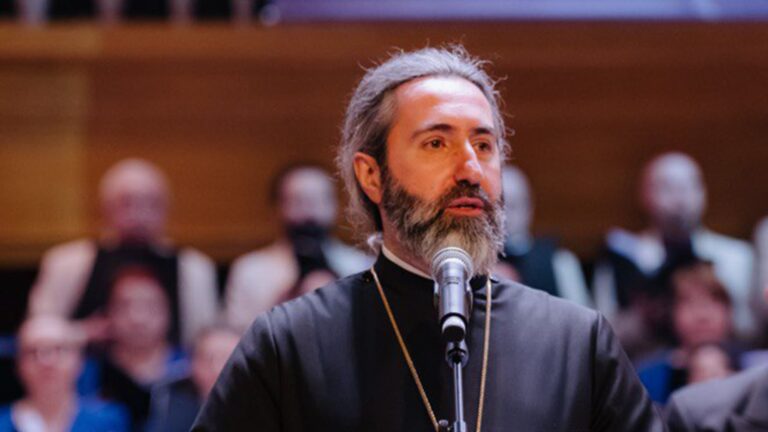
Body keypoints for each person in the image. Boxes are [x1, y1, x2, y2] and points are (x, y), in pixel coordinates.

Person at [193, 46, 663, 431]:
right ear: (372, 176)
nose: (471, 169)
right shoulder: (290, 344)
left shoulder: (576, 343)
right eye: (437, 143)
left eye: (484, 145)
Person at [27, 158, 218, 346]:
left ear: (166, 210)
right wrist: (82, 333)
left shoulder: (195, 268)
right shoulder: (66, 263)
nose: (140, 214)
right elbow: (36, 334)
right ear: (105, 208)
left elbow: (208, 341)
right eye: (127, 203)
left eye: (152, 203)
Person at [593, 152, 756, 343]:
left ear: (704, 192)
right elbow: (600, 336)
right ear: (644, 195)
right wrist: (642, 318)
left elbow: (753, 331)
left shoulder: (738, 256)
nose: (680, 198)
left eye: (689, 186)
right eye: (666, 188)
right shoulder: (624, 257)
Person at [224, 163, 372, 331]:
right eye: (297, 201)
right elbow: (237, 337)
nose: (309, 212)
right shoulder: (250, 270)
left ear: (336, 206)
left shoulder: (361, 266)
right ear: (276, 208)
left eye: (319, 200)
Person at [92, 265, 189, 431]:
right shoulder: (86, 374)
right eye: (125, 306)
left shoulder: (190, 369)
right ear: (108, 313)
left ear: (168, 311)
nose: (138, 318)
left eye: (150, 306)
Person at [0, 316, 128, 432]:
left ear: (79, 360)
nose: (46, 361)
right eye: (33, 351)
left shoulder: (109, 421)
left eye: (58, 349)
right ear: (18, 364)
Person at [638, 261, 737, 404]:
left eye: (713, 301)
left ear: (729, 310)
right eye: (689, 303)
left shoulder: (756, 368)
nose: (702, 315)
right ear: (671, 312)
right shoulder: (648, 378)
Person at [494, 165, 591, 306]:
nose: (505, 216)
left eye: (513, 205)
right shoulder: (477, 265)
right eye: (498, 207)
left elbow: (581, 315)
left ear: (529, 208)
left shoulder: (560, 261)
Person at [146, 325, 240, 432]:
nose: (217, 368)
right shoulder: (168, 404)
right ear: (191, 364)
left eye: (228, 359)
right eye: (208, 359)